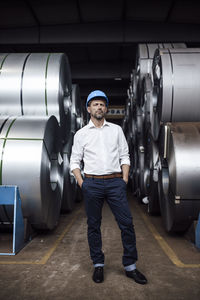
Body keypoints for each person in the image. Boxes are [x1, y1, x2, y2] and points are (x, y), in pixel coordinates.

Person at [70, 90, 147, 284]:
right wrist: (83, 184)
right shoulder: (81, 134)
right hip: (92, 183)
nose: (99, 107)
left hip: (115, 183)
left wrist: (124, 180)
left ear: (106, 108)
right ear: (88, 109)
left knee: (127, 223)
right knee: (93, 226)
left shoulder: (116, 130)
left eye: (102, 104)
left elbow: (125, 156)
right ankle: (98, 264)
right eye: (95, 104)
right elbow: (74, 162)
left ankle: (130, 266)